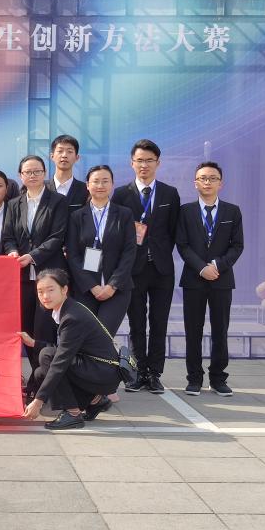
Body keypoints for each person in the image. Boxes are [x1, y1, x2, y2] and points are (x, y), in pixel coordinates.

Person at [111, 138, 180, 394]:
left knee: (159, 323)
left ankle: (155, 374)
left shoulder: (169, 194)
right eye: (139, 160)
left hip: (162, 269)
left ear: (158, 163)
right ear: (132, 163)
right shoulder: (121, 194)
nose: (144, 165)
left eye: (149, 160)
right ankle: (138, 372)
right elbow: (117, 233)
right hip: (133, 270)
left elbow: (174, 231)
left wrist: (159, 252)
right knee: (137, 323)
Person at [22, 270, 123, 431]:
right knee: (41, 373)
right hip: (98, 368)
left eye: (50, 290)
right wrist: (34, 343)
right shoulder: (67, 308)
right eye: (40, 291)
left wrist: (38, 401)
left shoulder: (72, 317)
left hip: (103, 373)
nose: (45, 296)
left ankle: (73, 414)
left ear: (64, 289)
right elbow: (65, 349)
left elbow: (60, 361)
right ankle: (95, 401)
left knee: (47, 356)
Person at [176, 161, 244, 397]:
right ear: (195, 183)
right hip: (194, 280)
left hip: (221, 280)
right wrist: (201, 268)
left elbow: (237, 246)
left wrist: (217, 266)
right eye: (203, 178)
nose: (207, 182)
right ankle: (194, 378)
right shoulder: (185, 211)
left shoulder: (232, 211)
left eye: (212, 178)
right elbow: (182, 245)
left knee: (220, 331)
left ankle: (218, 379)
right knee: (192, 331)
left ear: (220, 183)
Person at [2, 155, 69, 385]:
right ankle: (37, 376)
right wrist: (12, 251)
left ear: (44, 173)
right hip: (21, 278)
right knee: (25, 328)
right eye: (27, 172)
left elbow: (57, 237)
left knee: (44, 329)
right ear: (20, 175)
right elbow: (8, 236)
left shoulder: (58, 201)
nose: (32, 175)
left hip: (48, 276)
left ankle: (44, 377)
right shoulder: (14, 204)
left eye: (37, 171)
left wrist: (32, 256)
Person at [66, 165, 136, 336]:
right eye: (95, 181)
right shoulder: (77, 217)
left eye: (105, 181)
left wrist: (112, 285)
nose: (100, 185)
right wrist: (92, 286)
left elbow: (129, 252)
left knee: (103, 336)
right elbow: (73, 255)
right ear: (87, 185)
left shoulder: (124, 214)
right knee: (84, 336)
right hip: (85, 290)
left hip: (117, 290)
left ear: (112, 184)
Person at [49, 134, 89, 212]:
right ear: (52, 156)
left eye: (69, 151)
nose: (64, 155)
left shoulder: (85, 190)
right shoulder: (42, 188)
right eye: (60, 151)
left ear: (77, 157)